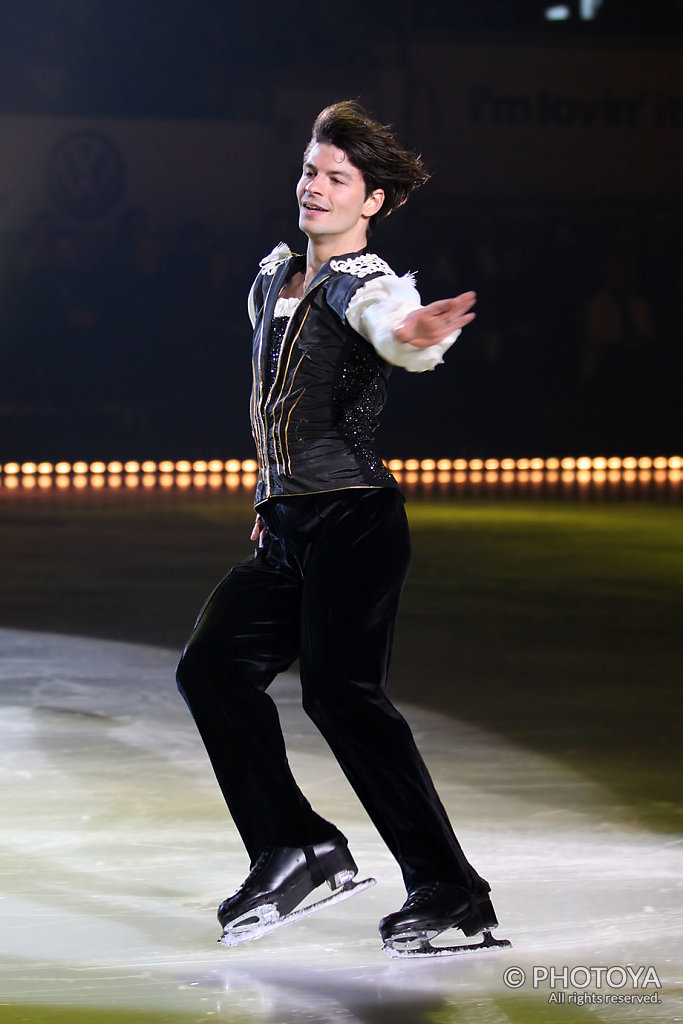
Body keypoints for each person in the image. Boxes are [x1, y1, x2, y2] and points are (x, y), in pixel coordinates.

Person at [176, 101, 504, 956]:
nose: (314, 187)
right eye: (310, 171)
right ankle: (297, 846)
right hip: (286, 524)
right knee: (212, 671)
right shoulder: (270, 279)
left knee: (341, 695)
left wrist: (416, 335)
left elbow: (394, 332)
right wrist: (264, 498)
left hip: (354, 521)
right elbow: (271, 402)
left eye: (337, 179)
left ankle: (452, 890)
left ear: (373, 202)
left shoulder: (369, 284)